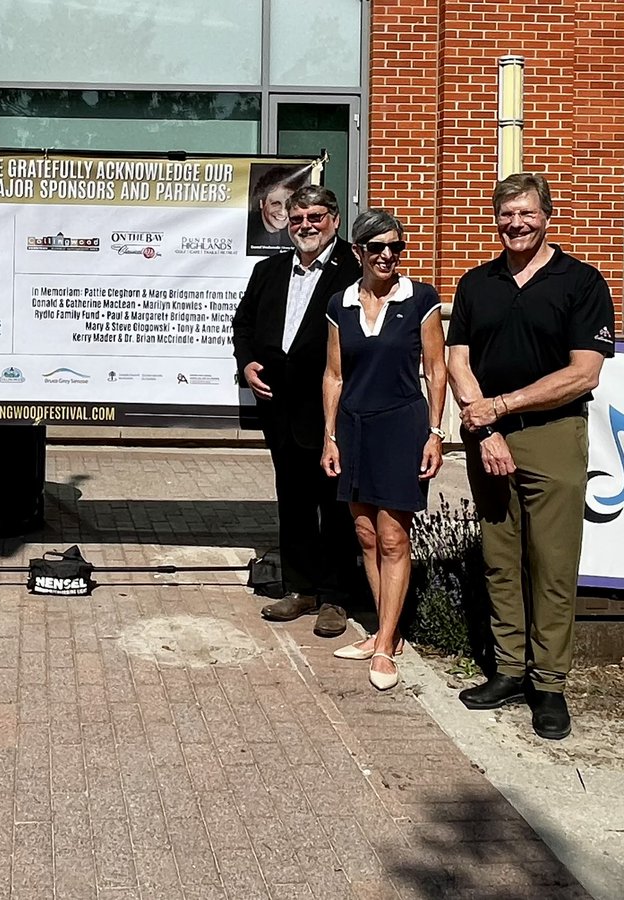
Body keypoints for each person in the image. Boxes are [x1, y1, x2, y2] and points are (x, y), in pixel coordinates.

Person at [447, 173, 614, 739]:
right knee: (500, 557)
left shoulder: (581, 282)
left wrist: (501, 406)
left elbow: (583, 372)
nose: (515, 223)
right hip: (486, 436)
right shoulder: (477, 282)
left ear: (546, 215)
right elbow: (457, 359)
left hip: (552, 433)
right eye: (505, 214)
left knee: (552, 563)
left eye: (526, 213)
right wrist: (485, 422)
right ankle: (510, 670)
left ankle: (550, 684)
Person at [321, 210, 448, 690]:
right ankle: (384, 634)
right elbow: (334, 375)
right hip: (353, 428)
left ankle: (385, 646)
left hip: (401, 426)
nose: (387, 255)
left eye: (395, 246)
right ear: (358, 252)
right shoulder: (340, 303)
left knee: (394, 537)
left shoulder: (422, 300)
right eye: (376, 247)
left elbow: (436, 370)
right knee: (366, 534)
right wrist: (330, 436)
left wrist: (435, 432)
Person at [233, 185, 363, 637]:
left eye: (316, 217)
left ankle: (335, 598)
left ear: (335, 220)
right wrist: (246, 361)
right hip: (279, 409)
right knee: (293, 501)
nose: (306, 226)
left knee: (336, 506)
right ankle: (301, 588)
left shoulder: (356, 269)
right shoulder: (269, 270)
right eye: (298, 218)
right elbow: (244, 322)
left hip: (332, 410)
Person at [246, 165, 304, 255]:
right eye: (276, 203)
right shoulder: (246, 231)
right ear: (262, 203)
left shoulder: (298, 232)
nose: (283, 212)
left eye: (289, 204)